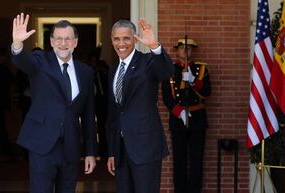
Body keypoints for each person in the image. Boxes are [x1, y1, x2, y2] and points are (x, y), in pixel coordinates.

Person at [11, 13, 97, 193]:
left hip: (71, 146)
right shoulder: (40, 61)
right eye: (58, 39)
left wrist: (90, 151)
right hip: (42, 144)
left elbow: (88, 114)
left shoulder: (86, 72)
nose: (63, 43)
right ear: (51, 42)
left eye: (67, 39)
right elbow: (23, 62)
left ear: (75, 42)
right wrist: (18, 45)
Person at [106, 19, 174, 193]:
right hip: (121, 150)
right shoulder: (113, 70)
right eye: (117, 39)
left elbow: (166, 72)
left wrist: (154, 46)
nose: (121, 44)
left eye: (127, 38)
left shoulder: (148, 62)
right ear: (112, 40)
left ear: (135, 39)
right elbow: (114, 114)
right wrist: (113, 152)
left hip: (145, 147)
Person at [161, 38, 211, 193]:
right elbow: (166, 97)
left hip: (197, 118)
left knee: (197, 159)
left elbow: (207, 92)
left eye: (189, 48)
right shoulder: (169, 69)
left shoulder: (201, 69)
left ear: (193, 51)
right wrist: (179, 112)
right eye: (182, 47)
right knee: (179, 159)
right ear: (177, 50)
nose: (186, 50)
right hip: (178, 119)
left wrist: (194, 80)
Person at [88, 47, 109, 158]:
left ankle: (103, 150)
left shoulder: (103, 72)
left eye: (95, 62)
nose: (94, 64)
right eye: (92, 62)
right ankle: (90, 150)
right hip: (91, 102)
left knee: (101, 126)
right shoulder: (87, 74)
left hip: (102, 101)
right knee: (90, 126)